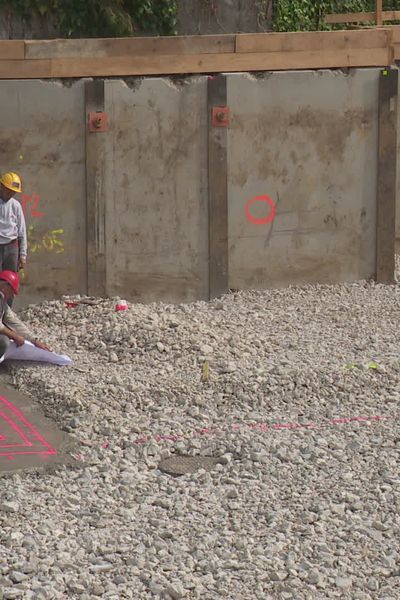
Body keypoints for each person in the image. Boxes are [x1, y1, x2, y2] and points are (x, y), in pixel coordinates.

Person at [0, 270, 49, 360]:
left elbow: (14, 321)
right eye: (12, 291)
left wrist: (34, 340)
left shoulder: (2, 302)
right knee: (4, 341)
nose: (12, 296)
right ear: (4, 286)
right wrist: (15, 336)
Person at [0, 172, 27, 273]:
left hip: (12, 248)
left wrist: (23, 255)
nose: (11, 194)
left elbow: (22, 232)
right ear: (1, 186)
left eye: (13, 192)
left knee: (10, 281)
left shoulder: (16, 206)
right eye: (8, 191)